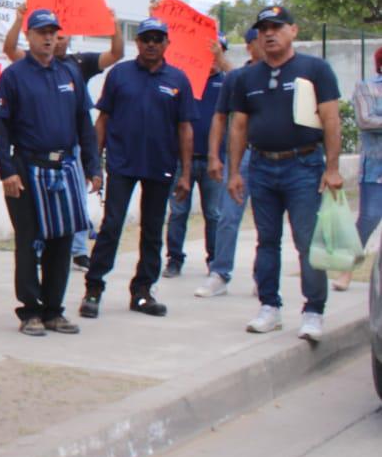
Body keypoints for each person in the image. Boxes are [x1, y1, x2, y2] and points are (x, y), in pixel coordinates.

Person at [226, 5, 343, 342]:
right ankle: (269, 306)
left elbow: (331, 119)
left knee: (307, 242)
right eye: (263, 28)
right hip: (261, 166)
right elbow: (239, 127)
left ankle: (313, 311)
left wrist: (332, 168)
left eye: (276, 26)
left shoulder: (314, 69)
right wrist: (235, 172)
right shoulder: (247, 77)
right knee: (266, 241)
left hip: (303, 166)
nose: (269, 33)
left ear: (293, 30)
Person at [0, 9, 102, 336]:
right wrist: (6, 171)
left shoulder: (70, 75)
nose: (49, 37)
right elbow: (0, 126)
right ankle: (30, 311)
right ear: (30, 35)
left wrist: (93, 166)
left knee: (62, 240)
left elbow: (85, 124)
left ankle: (54, 310)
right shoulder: (13, 76)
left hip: (65, 168)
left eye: (53, 32)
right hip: (27, 169)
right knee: (29, 241)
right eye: (42, 32)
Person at [79, 18, 194, 319]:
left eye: (158, 38)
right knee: (112, 226)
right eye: (146, 38)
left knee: (153, 231)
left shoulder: (178, 80)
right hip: (122, 164)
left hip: (161, 166)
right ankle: (93, 288)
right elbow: (102, 120)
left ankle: (143, 292)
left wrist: (186, 173)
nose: (151, 44)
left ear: (167, 43)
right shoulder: (120, 74)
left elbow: (185, 129)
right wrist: (95, 164)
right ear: (138, 43)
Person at [3, 1, 124, 269]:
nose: (54, 39)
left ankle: (78, 250)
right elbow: (9, 50)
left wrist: (114, 24)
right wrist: (19, 19)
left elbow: (116, 53)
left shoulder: (78, 64)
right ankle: (38, 249)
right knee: (37, 209)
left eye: (58, 34)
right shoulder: (26, 66)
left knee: (75, 201)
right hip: (35, 153)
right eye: (47, 33)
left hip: (70, 148)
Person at [196, 28, 264, 298]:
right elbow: (220, 117)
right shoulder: (238, 77)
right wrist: (215, 156)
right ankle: (220, 273)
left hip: (268, 154)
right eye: (262, 37)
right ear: (250, 46)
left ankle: (264, 276)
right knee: (227, 215)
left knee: (266, 222)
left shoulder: (280, 74)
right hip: (240, 157)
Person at [163, 36, 229, 278]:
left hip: (214, 160)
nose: (211, 59)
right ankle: (174, 259)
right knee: (178, 211)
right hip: (183, 160)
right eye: (206, 53)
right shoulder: (185, 81)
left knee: (213, 213)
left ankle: (214, 261)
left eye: (216, 53)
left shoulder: (227, 83)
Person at [333, 45, 382, 291]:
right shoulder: (367, 87)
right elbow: (365, 120)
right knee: (369, 219)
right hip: (376, 168)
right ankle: (345, 271)